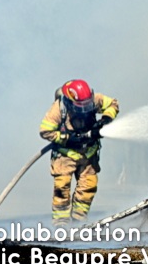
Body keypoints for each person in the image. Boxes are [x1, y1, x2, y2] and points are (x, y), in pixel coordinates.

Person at [39, 79, 119, 226]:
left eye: (87, 105)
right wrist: (67, 139)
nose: (85, 110)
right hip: (65, 155)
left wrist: (105, 120)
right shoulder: (58, 109)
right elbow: (45, 131)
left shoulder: (93, 99)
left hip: (89, 153)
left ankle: (79, 222)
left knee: (88, 187)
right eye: (80, 107)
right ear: (69, 102)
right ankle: (61, 225)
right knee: (61, 190)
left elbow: (112, 104)